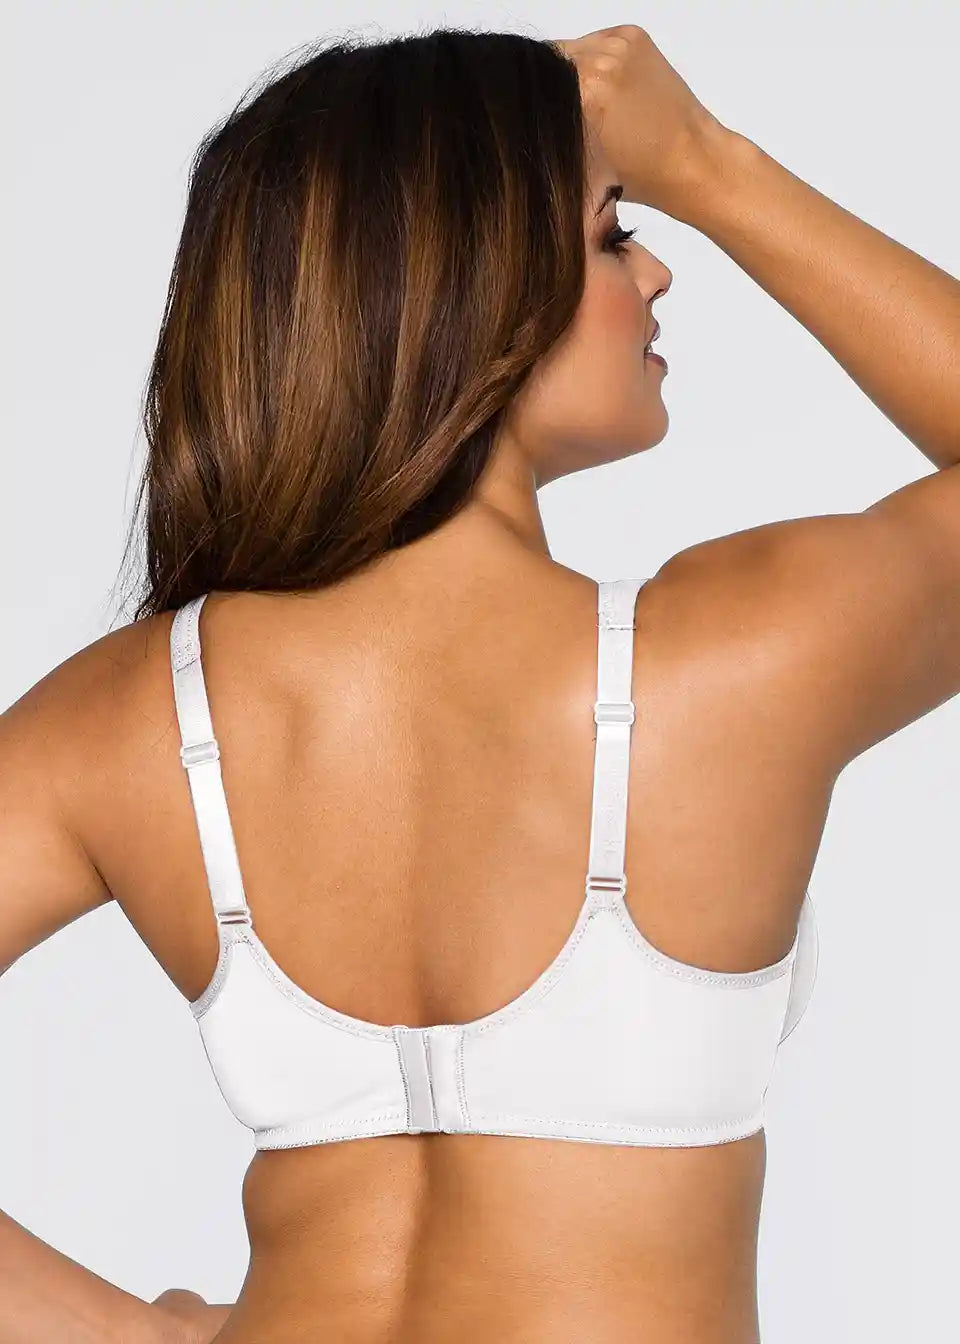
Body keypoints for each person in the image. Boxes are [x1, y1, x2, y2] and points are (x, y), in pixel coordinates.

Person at [1, 22, 958, 1344]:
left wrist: (136, 1336)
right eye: (616, 232)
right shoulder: (731, 663)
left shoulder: (135, 719)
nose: (658, 268)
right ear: (479, 291)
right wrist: (711, 163)